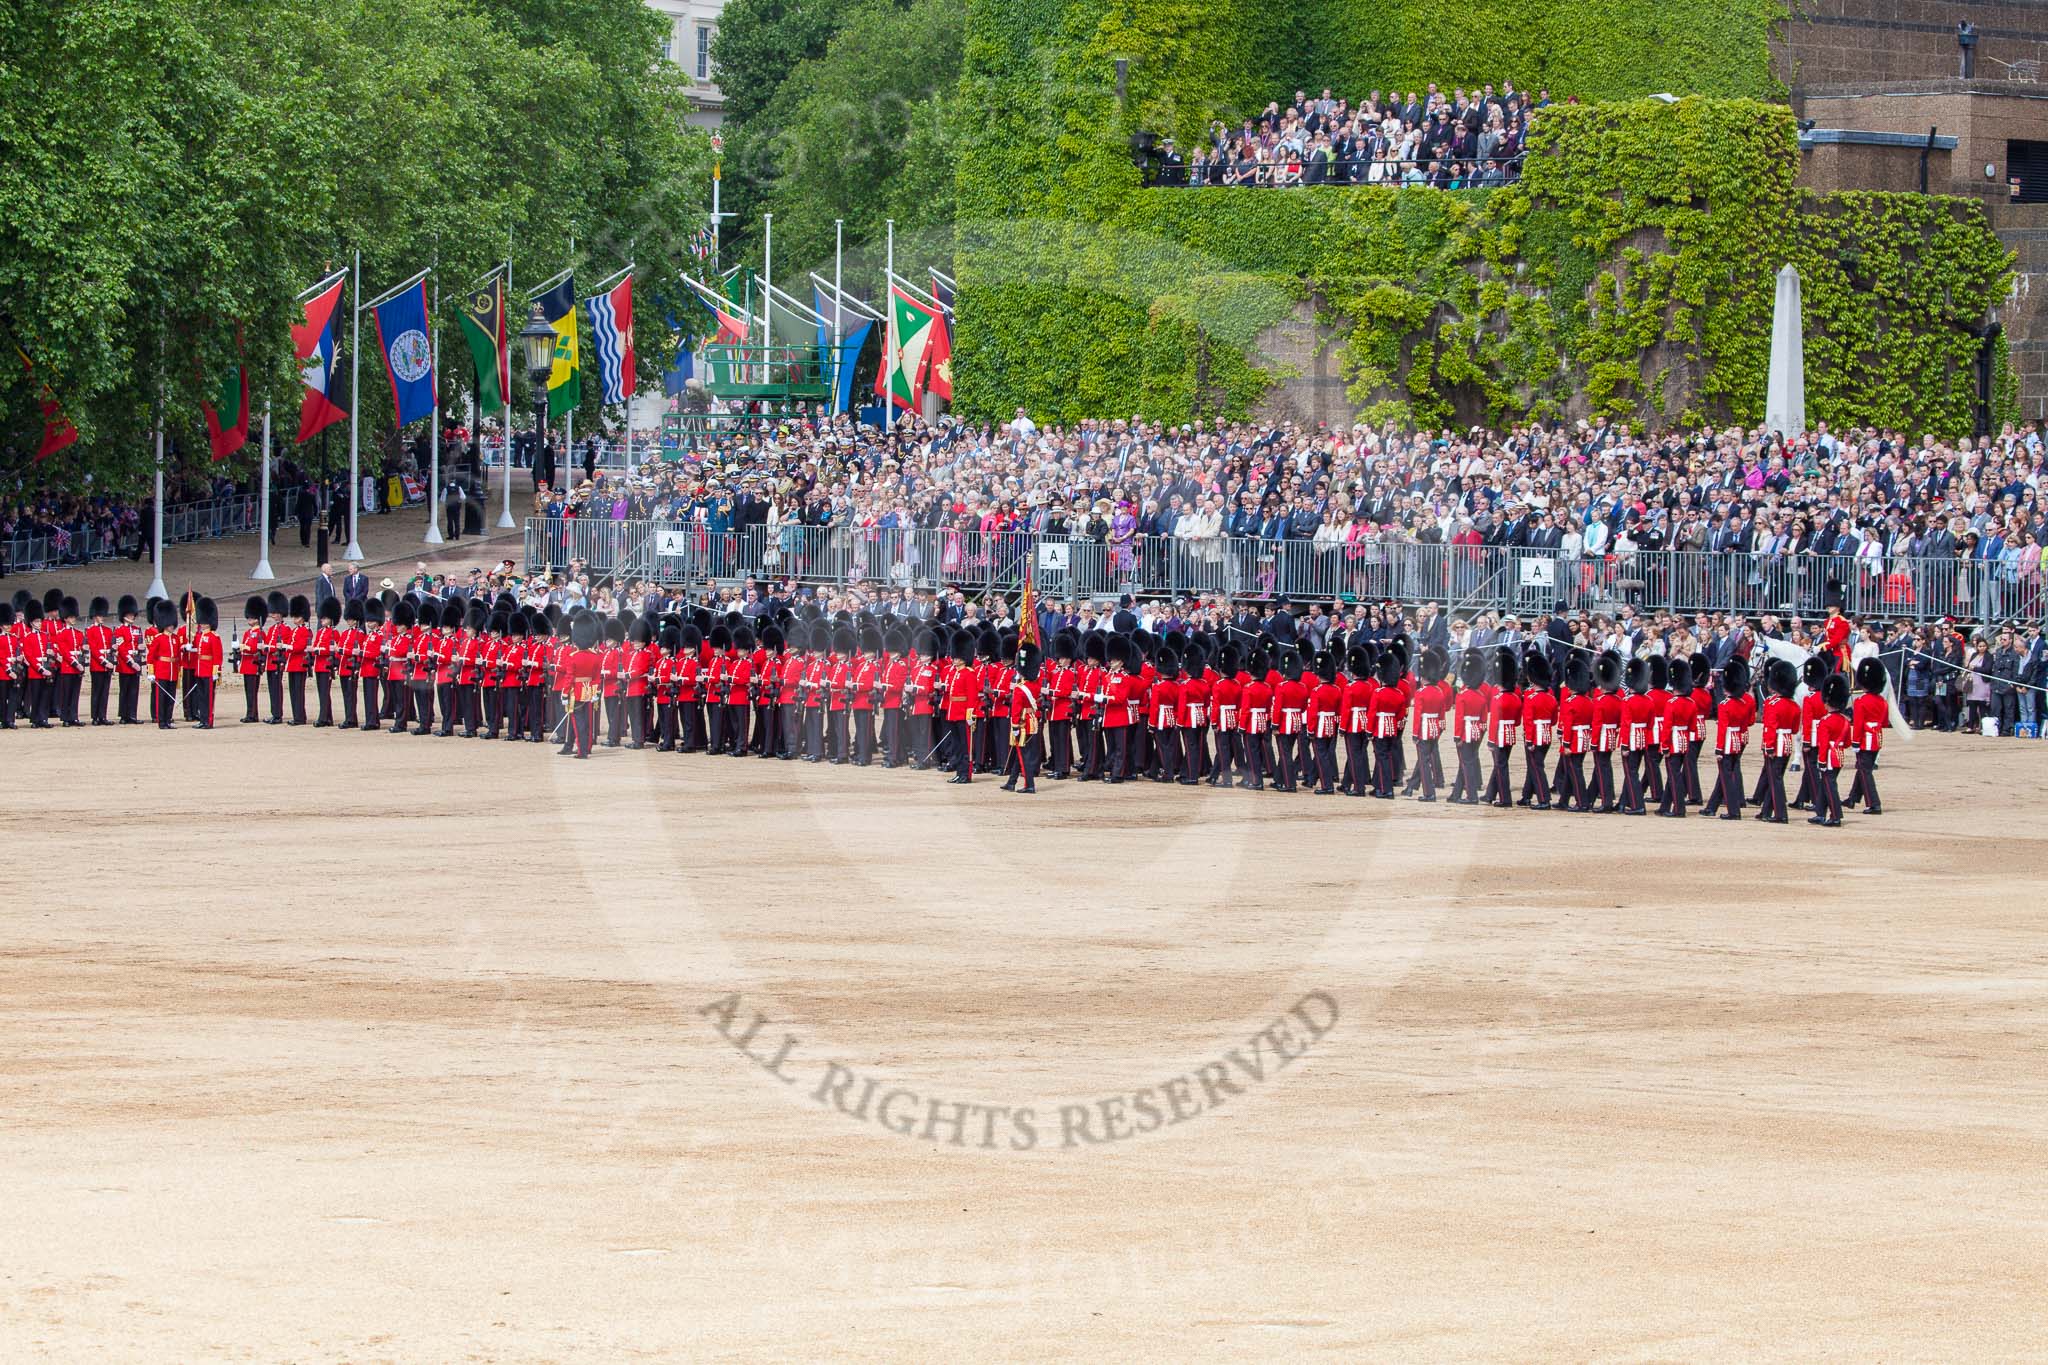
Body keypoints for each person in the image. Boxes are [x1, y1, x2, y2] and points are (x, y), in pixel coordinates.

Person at [1843, 656, 1889, 815]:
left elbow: (1859, 725)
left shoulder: (1861, 702)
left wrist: (1855, 742)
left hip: (1865, 740)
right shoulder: (1882, 701)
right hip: (1877, 738)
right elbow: (1883, 722)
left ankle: (1874, 803)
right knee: (1863, 768)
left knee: (1865, 771)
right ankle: (1852, 798)